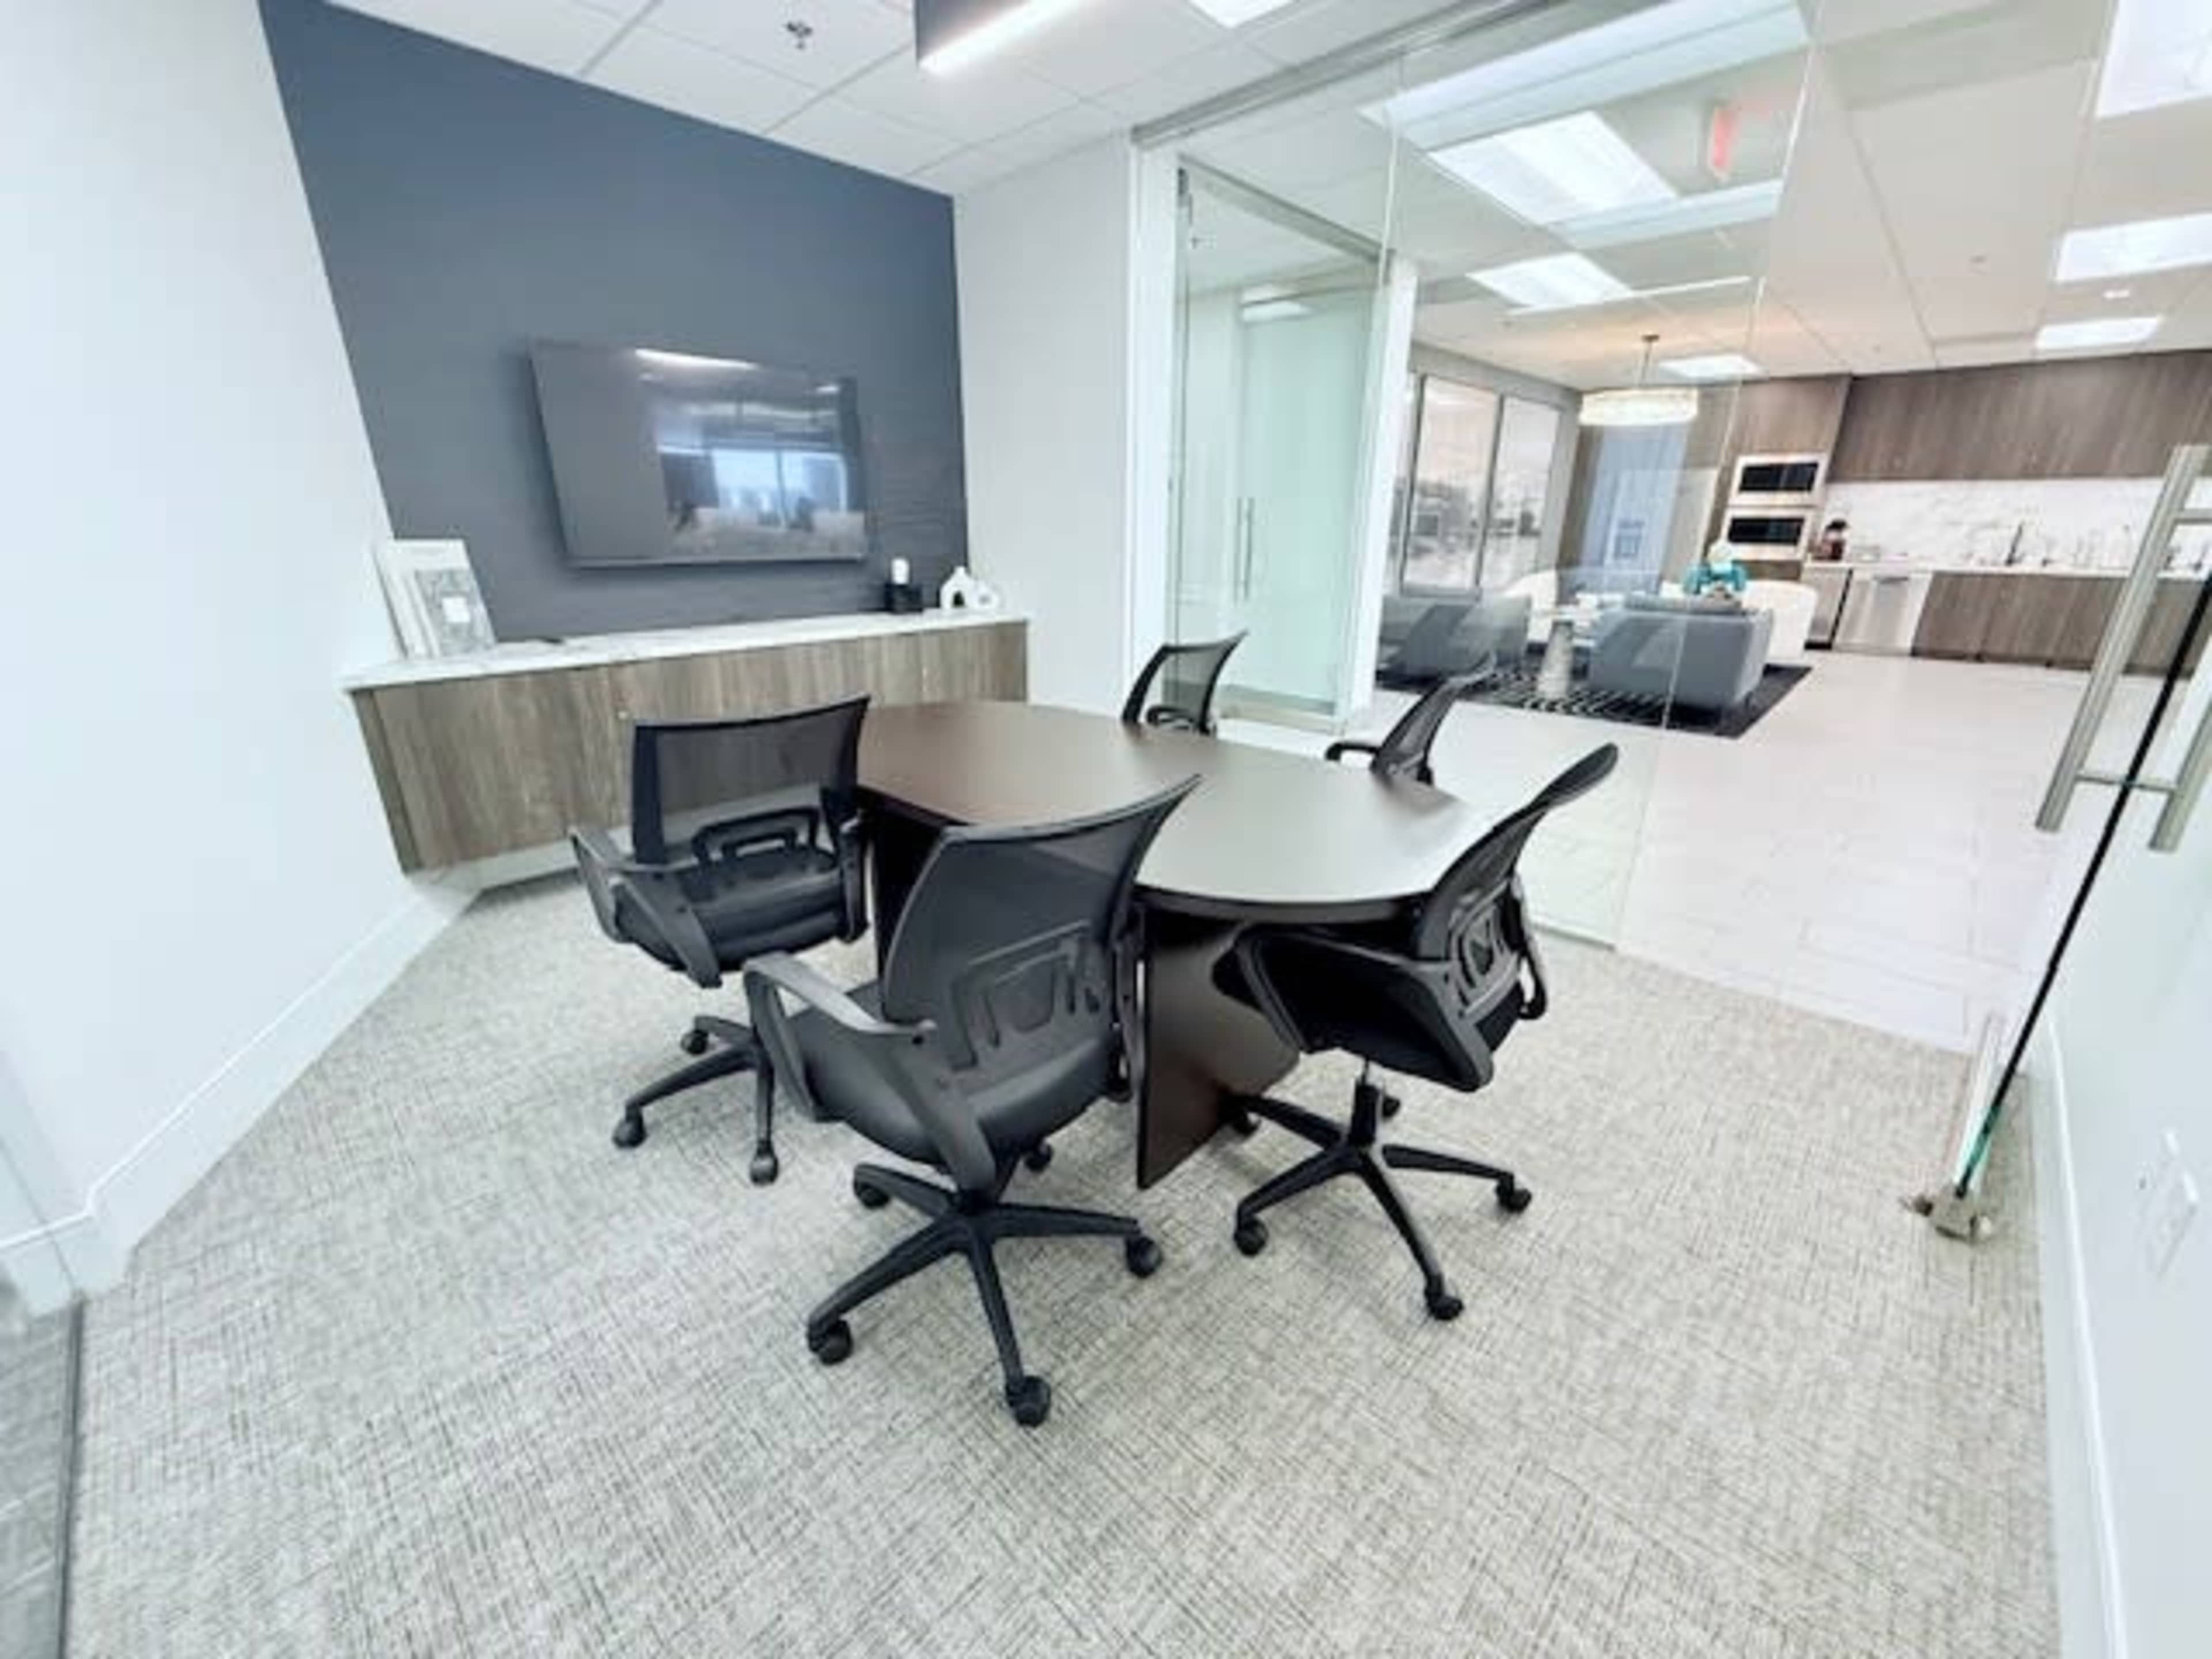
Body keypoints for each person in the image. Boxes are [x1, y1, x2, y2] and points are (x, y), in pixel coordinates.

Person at [1684, 540, 1748, 598]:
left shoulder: (1737, 572)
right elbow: (1690, 597)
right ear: (1708, 562)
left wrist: (1731, 594)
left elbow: (1740, 596)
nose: (1720, 577)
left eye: (1723, 574)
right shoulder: (1697, 573)